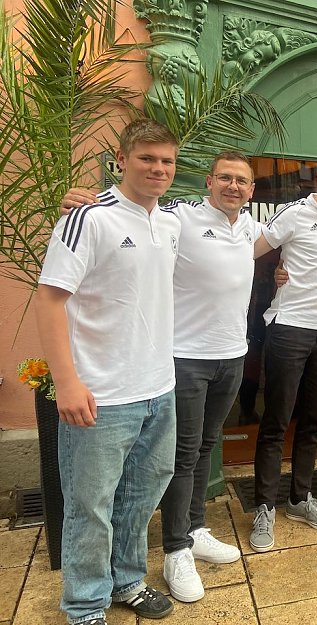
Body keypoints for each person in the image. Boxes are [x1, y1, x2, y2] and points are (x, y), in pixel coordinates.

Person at [61, 151, 263, 603]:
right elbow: (132, 209)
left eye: (242, 181)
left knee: (205, 449)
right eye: (225, 178)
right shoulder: (181, 216)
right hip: (184, 357)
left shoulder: (249, 225)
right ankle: (176, 551)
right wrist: (84, 201)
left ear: (252, 190)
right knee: (184, 455)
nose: (233, 186)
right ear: (208, 181)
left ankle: (193, 529)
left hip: (231, 355)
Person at [36, 119, 180, 625]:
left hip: (159, 388)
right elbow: (51, 300)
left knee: (141, 495)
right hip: (100, 394)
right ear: (122, 159)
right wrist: (67, 383)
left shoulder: (171, 221)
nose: (158, 168)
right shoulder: (88, 218)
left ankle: (127, 581)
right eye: (147, 158)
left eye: (166, 160)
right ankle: (84, 606)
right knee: (90, 505)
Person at [248, 150, 317, 550]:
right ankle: (264, 507)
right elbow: (250, 250)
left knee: (314, 421)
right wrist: (270, 276)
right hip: (290, 328)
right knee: (277, 421)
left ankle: (300, 497)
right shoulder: (295, 213)